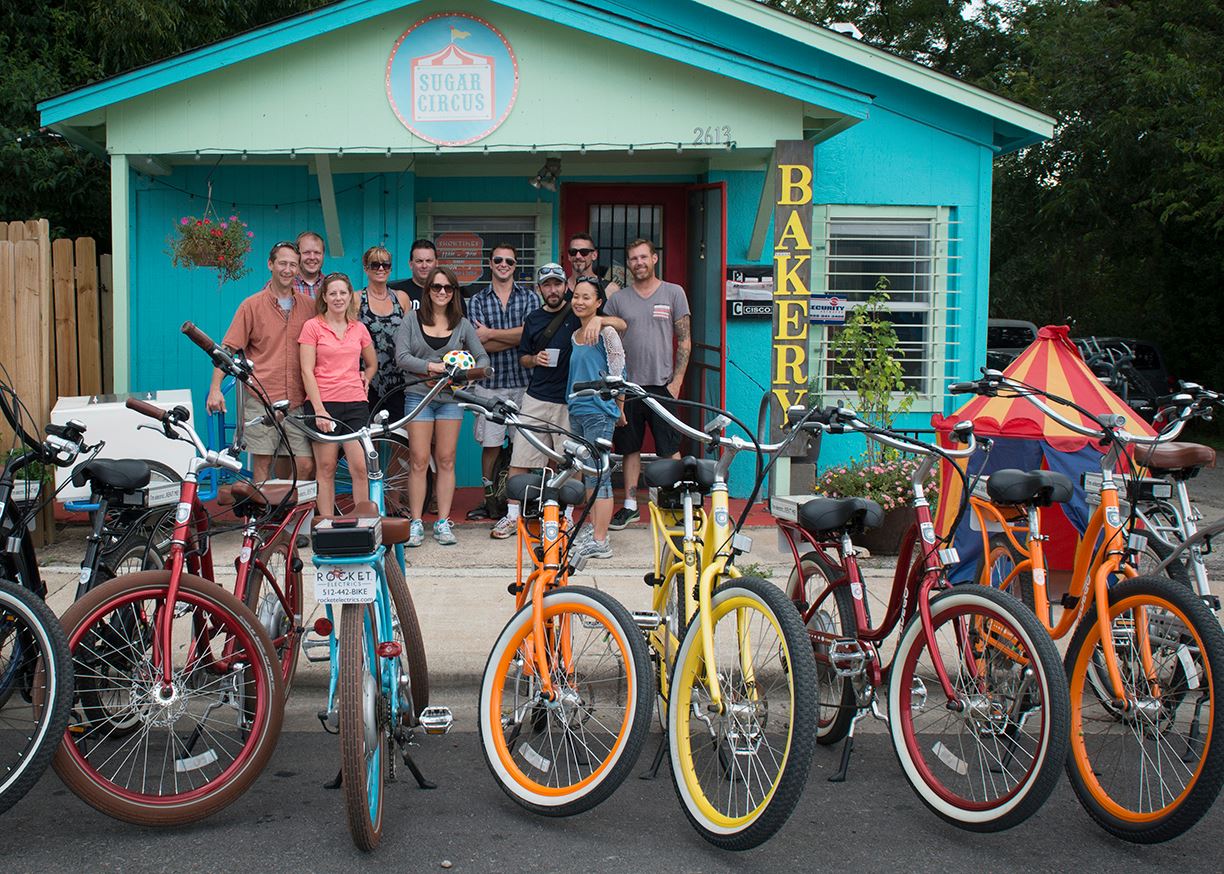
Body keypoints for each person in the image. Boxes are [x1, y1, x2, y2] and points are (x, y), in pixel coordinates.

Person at [491, 263, 627, 540]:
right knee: (521, 457)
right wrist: (534, 359)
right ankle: (513, 515)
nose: (552, 289)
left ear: (565, 286)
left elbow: (621, 328)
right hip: (538, 397)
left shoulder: (579, 315)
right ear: (539, 289)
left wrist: (601, 320)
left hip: (571, 402)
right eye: (547, 285)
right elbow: (523, 357)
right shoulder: (534, 319)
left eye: (557, 284)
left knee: (573, 464)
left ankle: (567, 516)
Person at [394, 266, 489, 547]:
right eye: (436, 287)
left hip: (449, 400)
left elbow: (482, 359)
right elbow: (401, 356)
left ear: (454, 292)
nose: (442, 292)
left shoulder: (462, 323)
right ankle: (416, 522)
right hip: (418, 397)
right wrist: (432, 367)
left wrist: (466, 376)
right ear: (428, 290)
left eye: (448, 288)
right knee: (419, 460)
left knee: (446, 459)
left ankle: (443, 522)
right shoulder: (412, 319)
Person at [206, 241, 315, 482]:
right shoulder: (251, 305)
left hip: (297, 400)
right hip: (262, 399)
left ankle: (285, 506)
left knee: (304, 464)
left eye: (293, 265)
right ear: (270, 264)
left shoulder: (310, 307)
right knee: (263, 466)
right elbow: (227, 350)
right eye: (283, 263)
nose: (288, 270)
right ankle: (263, 507)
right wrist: (215, 389)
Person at [604, 238, 691, 530]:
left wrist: (676, 383)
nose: (638, 263)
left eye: (643, 257)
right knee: (629, 448)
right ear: (628, 264)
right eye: (633, 258)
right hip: (627, 387)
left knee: (670, 446)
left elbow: (685, 340)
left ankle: (676, 503)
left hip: (662, 385)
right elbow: (607, 343)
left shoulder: (674, 292)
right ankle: (630, 506)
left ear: (654, 258)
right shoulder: (618, 300)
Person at [464, 243, 540, 521]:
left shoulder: (530, 298)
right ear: (490, 263)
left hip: (524, 384)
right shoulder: (477, 300)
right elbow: (478, 345)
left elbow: (531, 336)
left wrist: (492, 334)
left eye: (509, 260)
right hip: (490, 386)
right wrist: (516, 338)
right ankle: (489, 500)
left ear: (515, 265)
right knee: (491, 446)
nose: (503, 264)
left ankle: (520, 500)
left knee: (524, 447)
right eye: (498, 260)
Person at [299, 273, 377, 517]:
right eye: (332, 293)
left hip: (355, 404)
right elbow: (306, 370)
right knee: (326, 467)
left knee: (360, 467)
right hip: (324, 403)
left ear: (350, 296)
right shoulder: (312, 327)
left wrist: (366, 378)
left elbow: (372, 363)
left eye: (343, 293)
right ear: (324, 297)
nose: (338, 298)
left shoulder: (359, 328)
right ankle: (326, 523)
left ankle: (363, 523)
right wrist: (319, 410)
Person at [566, 278, 626, 559]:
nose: (579, 301)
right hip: (578, 411)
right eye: (576, 296)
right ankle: (595, 529)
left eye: (586, 297)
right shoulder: (575, 334)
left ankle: (601, 541)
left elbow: (619, 373)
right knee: (590, 474)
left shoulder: (607, 332)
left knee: (599, 476)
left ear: (599, 302)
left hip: (598, 412)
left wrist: (619, 408)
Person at [357, 245, 414, 517]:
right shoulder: (356, 299)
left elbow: (411, 335)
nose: (381, 269)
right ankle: (370, 500)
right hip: (366, 380)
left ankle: (393, 498)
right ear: (365, 268)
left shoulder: (401, 298)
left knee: (400, 442)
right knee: (366, 442)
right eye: (375, 264)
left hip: (398, 380)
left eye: (386, 265)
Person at [565, 231, 621, 298]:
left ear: (594, 255)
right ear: (569, 256)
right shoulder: (559, 288)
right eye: (573, 252)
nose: (578, 256)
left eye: (584, 252)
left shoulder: (610, 289)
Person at [387, 238, 434, 309]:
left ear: (436, 263)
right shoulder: (393, 291)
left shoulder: (445, 291)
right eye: (419, 261)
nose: (424, 266)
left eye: (429, 261)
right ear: (411, 264)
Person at [293, 231, 326, 298]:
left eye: (317, 252)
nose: (312, 257)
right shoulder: (282, 286)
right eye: (307, 252)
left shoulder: (330, 285)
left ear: (323, 255)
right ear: (296, 255)